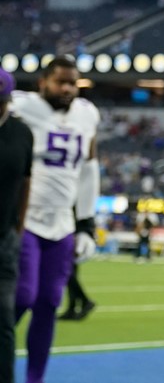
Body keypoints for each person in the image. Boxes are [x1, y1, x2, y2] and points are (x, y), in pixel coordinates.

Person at [11, 56, 101, 383]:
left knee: (49, 302)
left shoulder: (87, 114)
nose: (66, 89)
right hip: (25, 218)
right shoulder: (22, 105)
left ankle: (36, 378)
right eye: (60, 82)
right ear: (42, 82)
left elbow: (89, 168)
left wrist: (87, 223)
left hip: (62, 221)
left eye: (72, 83)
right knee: (22, 296)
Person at [0, 70, 33, 383]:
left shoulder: (22, 133)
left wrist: (18, 228)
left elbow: (26, 183)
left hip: (4, 241)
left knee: (4, 320)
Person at [58, 210, 96, 321]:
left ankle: (85, 300)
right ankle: (72, 308)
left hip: (72, 235)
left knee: (68, 273)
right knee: (71, 273)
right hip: (72, 233)